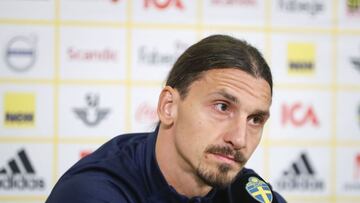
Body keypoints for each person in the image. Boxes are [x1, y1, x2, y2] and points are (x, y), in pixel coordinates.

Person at [46, 35, 286, 203]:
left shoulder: (248, 193)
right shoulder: (94, 193)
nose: (239, 138)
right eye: (222, 107)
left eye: (255, 119)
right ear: (168, 106)